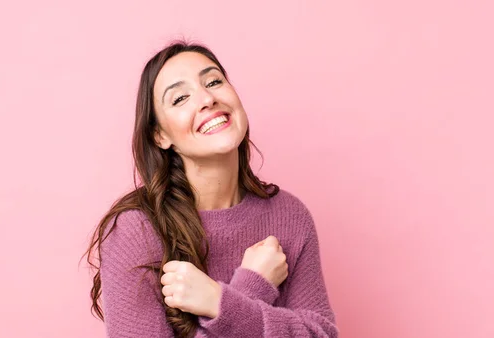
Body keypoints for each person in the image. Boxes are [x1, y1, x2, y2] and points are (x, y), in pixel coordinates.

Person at [84, 41, 338, 338]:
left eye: (214, 81)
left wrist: (219, 303)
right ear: (161, 135)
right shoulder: (135, 230)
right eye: (180, 98)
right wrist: (252, 286)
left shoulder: (289, 215)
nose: (206, 98)